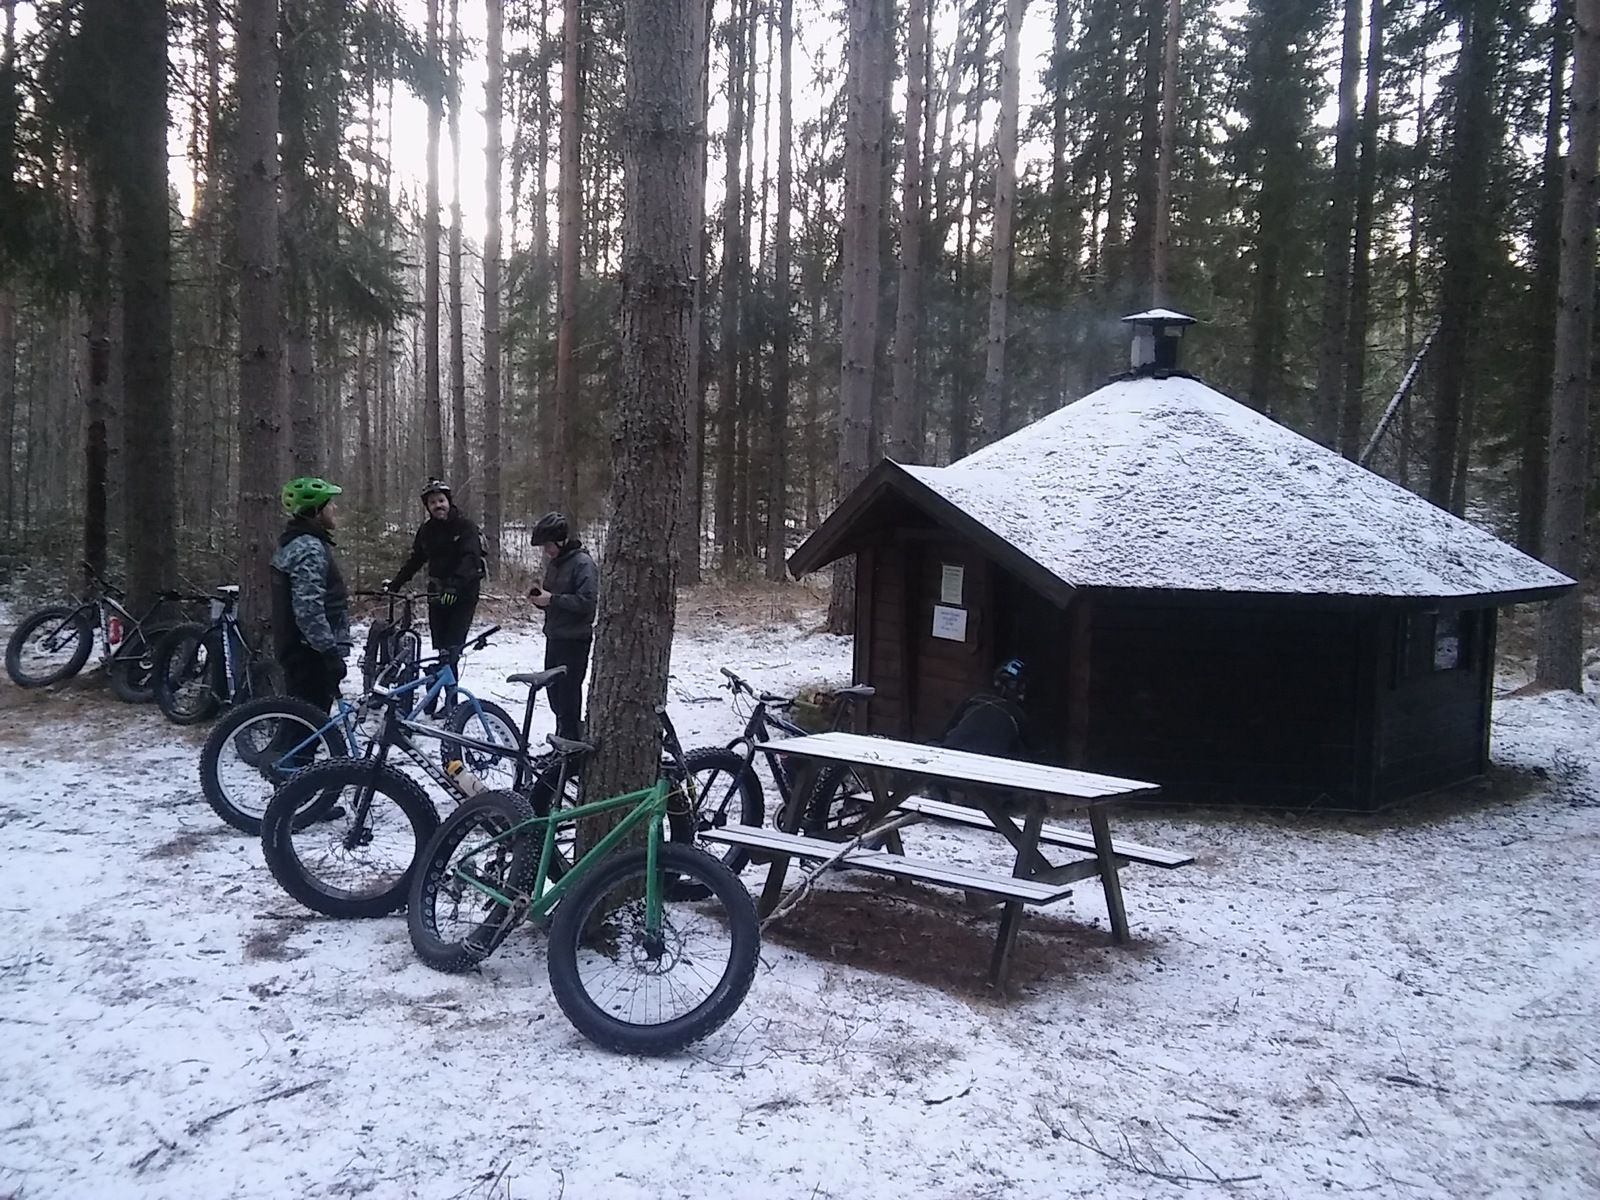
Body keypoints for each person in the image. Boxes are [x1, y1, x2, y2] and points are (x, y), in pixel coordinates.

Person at [270, 476, 352, 767]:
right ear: (316, 511)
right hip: (309, 653)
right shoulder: (309, 548)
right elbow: (308, 609)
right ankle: (294, 786)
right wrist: (328, 652)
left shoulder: (298, 542)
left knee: (301, 725)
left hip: (300, 648)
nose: (335, 510)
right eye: (330, 505)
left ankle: (293, 781)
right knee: (306, 729)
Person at [384, 479, 486, 707]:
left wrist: (455, 586)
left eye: (441, 500)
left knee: (452, 648)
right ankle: (435, 693)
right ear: (427, 507)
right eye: (432, 502)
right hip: (437, 593)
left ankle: (451, 703)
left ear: (448, 501)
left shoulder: (465, 526)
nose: (438, 505)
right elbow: (416, 559)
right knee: (440, 646)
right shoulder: (427, 531)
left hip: (463, 593)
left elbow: (471, 559)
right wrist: (396, 583)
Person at [527, 511, 597, 739]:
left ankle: (571, 744)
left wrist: (553, 600)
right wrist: (541, 600)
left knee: (568, 697)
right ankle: (563, 741)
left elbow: (587, 603)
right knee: (555, 696)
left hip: (574, 641)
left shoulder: (583, 564)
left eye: (548, 545)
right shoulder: (556, 565)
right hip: (555, 637)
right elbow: (554, 600)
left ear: (561, 540)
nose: (546, 551)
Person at [939, 657, 1029, 758]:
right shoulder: (1017, 714)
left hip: (951, 752)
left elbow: (945, 732)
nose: (1021, 695)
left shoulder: (973, 698)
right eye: (1018, 686)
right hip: (989, 761)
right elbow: (1032, 751)